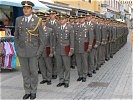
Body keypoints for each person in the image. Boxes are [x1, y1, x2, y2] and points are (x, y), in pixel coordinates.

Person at [14, 1, 44, 99]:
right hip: (22, 52)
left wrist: (38, 52)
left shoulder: (38, 20)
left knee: (34, 73)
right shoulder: (19, 20)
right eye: (24, 8)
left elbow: (42, 39)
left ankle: (33, 91)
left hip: (33, 52)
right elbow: (16, 37)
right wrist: (17, 50)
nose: (25, 10)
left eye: (27, 8)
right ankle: (27, 91)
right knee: (25, 73)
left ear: (31, 10)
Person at [54, 13, 74, 88]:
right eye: (60, 19)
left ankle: (66, 81)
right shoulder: (57, 28)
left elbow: (72, 40)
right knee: (59, 66)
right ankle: (61, 80)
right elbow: (55, 39)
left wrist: (71, 50)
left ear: (66, 19)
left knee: (66, 66)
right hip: (58, 49)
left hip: (66, 49)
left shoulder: (70, 28)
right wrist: (54, 49)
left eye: (63, 19)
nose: (61, 20)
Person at [38, 13, 53, 85]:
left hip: (47, 49)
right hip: (40, 51)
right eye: (40, 22)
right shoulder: (37, 30)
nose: (41, 23)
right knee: (41, 65)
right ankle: (44, 78)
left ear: (45, 22)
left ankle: (49, 78)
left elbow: (51, 42)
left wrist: (51, 51)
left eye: (43, 22)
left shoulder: (49, 30)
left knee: (48, 65)